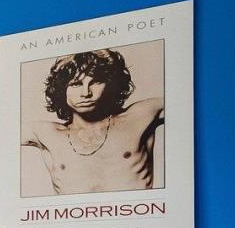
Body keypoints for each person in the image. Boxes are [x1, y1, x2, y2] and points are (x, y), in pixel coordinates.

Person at [22, 48, 164, 195]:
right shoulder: (45, 133)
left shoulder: (139, 117)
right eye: (76, 84)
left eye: (96, 82)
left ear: (111, 84)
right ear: (61, 89)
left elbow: (180, 100)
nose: (86, 93)